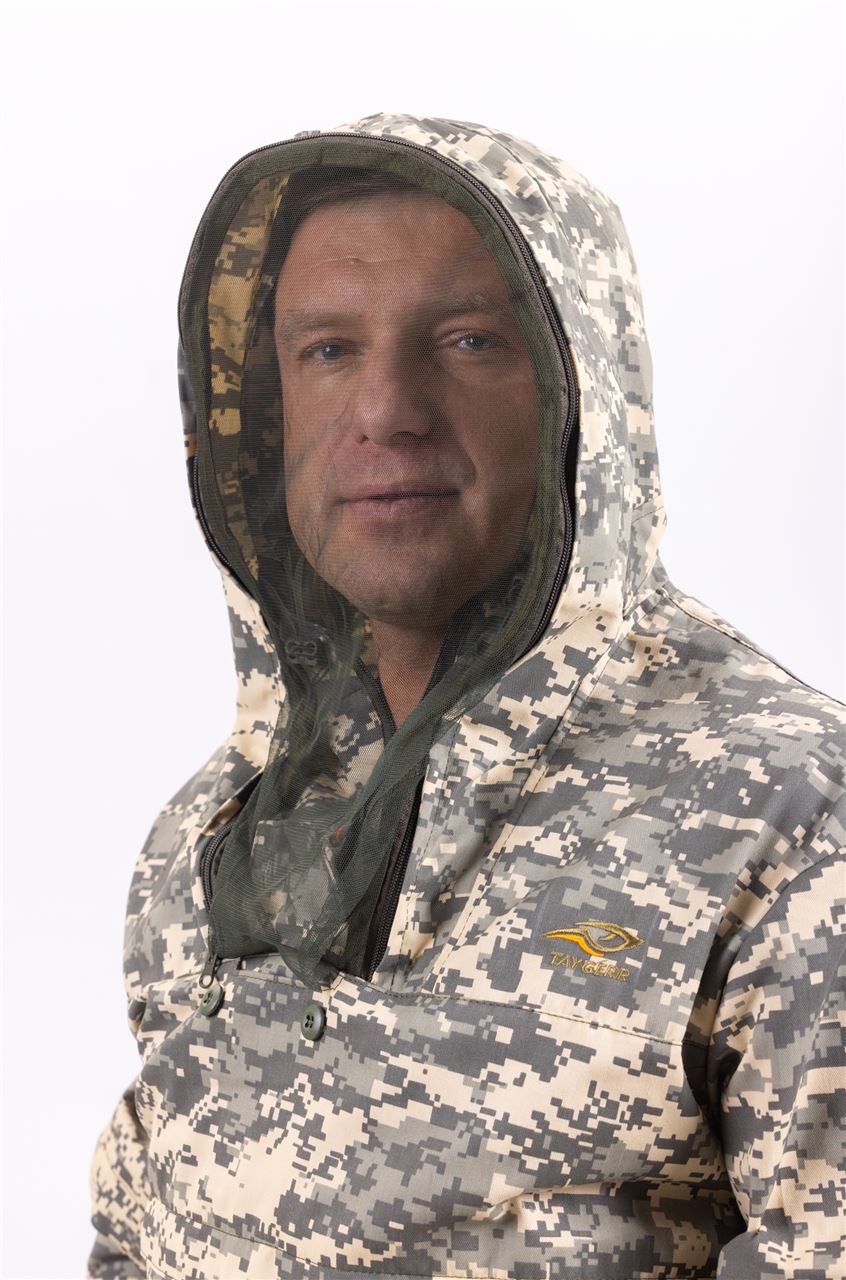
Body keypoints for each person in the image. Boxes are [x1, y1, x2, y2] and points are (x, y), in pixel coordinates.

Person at [87, 112, 846, 1280]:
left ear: (580, 392)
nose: (386, 407)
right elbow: (133, 1238)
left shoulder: (788, 811)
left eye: (469, 339)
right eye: (327, 349)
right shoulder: (216, 830)